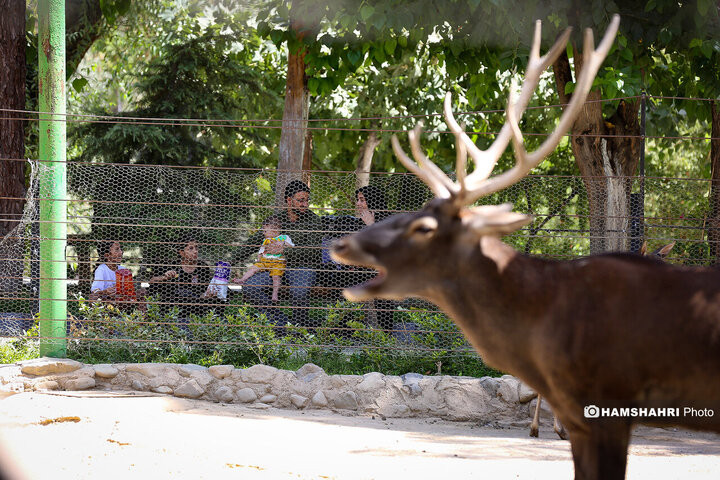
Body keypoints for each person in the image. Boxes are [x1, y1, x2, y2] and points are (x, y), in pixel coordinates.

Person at [234, 180, 323, 328]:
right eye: (301, 200)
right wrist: (228, 262)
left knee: (299, 292)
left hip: (301, 268)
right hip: (274, 266)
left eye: (307, 200)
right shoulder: (277, 220)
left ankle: (299, 329)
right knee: (250, 287)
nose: (305, 204)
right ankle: (281, 324)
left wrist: (285, 250)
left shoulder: (314, 220)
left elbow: (314, 251)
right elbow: (253, 242)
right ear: (289, 200)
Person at [351, 185, 396, 331]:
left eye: (362, 200)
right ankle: (347, 332)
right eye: (358, 199)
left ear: (372, 200)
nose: (358, 203)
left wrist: (371, 225)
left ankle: (386, 333)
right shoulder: (357, 222)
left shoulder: (388, 221)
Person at [148, 237, 220, 319]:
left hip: (195, 306)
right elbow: (152, 282)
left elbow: (204, 290)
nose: (195, 251)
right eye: (191, 249)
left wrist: (207, 295)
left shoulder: (203, 267)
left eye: (196, 248)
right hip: (175, 305)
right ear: (181, 252)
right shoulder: (173, 265)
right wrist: (165, 277)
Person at [233, 216, 294, 302]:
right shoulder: (265, 240)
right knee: (253, 268)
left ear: (274, 230)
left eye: (265, 231)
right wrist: (258, 259)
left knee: (276, 277)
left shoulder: (284, 237)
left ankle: (275, 294)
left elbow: (292, 246)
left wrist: (283, 243)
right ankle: (242, 279)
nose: (263, 233)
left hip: (278, 262)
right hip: (265, 261)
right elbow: (261, 251)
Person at [89, 240, 144, 311]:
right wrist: (105, 292)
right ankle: (103, 318)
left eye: (121, 249)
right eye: (117, 249)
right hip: (109, 301)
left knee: (142, 292)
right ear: (107, 255)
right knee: (93, 298)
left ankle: (142, 318)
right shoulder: (102, 269)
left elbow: (130, 289)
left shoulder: (123, 269)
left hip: (123, 300)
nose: (121, 252)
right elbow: (95, 291)